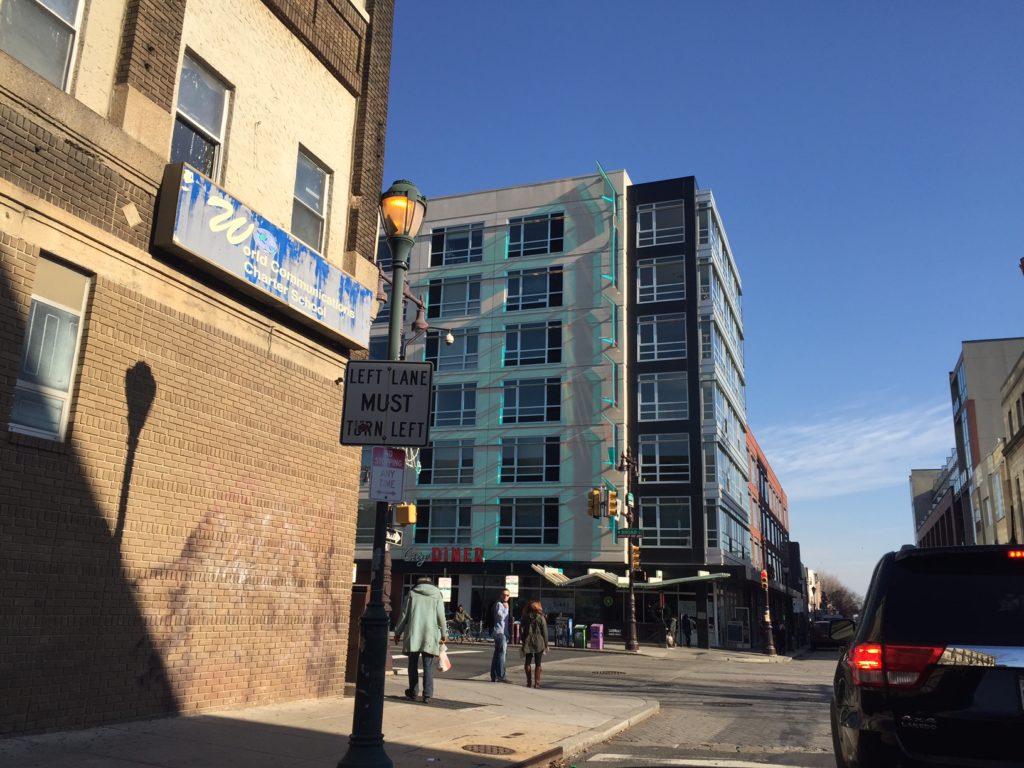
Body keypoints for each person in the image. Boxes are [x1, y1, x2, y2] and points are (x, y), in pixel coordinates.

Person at [393, 576, 447, 704]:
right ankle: (427, 694)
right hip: (430, 635)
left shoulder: (412, 593)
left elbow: (404, 614)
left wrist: (397, 632)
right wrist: (444, 633)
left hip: (414, 634)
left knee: (412, 665)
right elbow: (441, 616)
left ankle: (413, 692)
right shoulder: (437, 594)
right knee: (428, 665)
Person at [520, 600, 549, 688]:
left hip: (528, 641)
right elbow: (545, 632)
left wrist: (523, 640)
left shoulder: (525, 617)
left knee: (527, 662)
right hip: (539, 642)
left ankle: (529, 682)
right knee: (538, 663)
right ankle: (537, 683)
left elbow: (521, 629)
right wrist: (546, 644)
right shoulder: (541, 618)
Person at [489, 588, 512, 683]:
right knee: (502, 654)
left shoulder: (504, 604)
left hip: (503, 632)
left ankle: (494, 675)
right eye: (504, 595)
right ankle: (501, 676)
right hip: (499, 632)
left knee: (497, 654)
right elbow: (500, 617)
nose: (505, 597)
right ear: (500, 595)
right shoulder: (499, 604)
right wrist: (506, 609)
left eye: (507, 595)